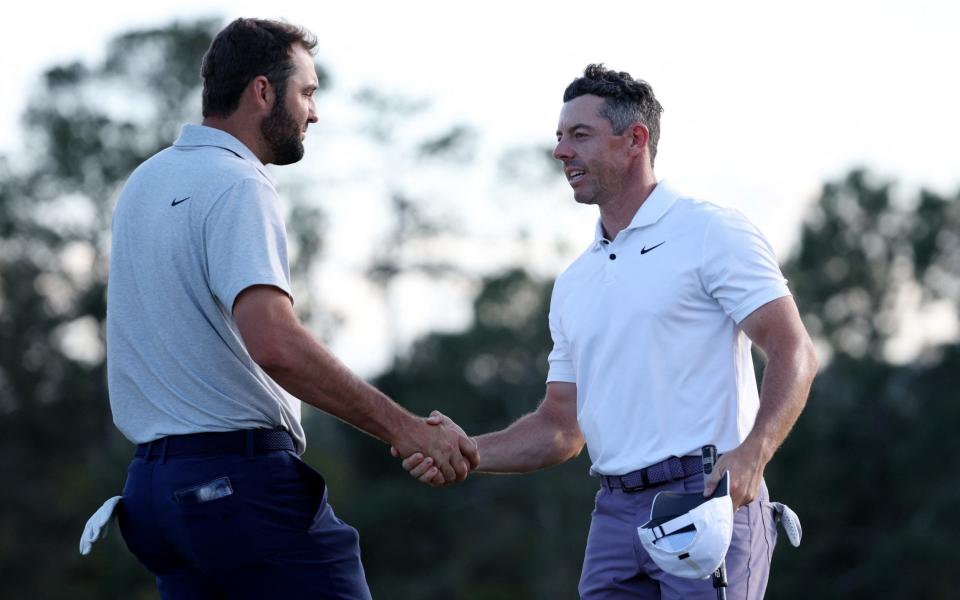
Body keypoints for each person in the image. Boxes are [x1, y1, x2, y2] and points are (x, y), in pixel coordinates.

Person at [397, 64, 818, 599]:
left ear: (634, 140)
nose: (560, 152)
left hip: (707, 496)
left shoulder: (711, 231)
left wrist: (755, 452)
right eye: (558, 137)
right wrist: (466, 451)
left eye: (579, 135)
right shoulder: (576, 282)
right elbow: (560, 426)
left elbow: (794, 350)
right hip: (615, 514)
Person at [104, 18, 477, 599]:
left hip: (152, 496)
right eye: (307, 91)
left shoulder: (145, 182)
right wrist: (405, 430)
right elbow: (275, 344)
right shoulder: (238, 184)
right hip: (234, 490)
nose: (314, 111)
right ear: (262, 91)